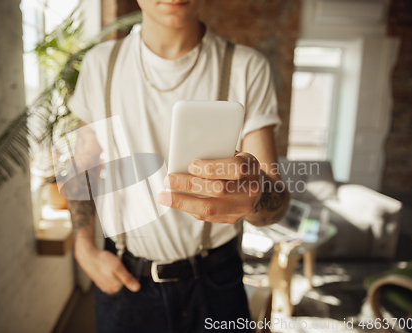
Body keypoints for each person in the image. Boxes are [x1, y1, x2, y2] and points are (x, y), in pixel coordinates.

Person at [66, 0, 289, 332]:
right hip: (128, 282)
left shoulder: (245, 66)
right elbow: (81, 166)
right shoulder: (101, 65)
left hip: (216, 284)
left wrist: (256, 196)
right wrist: (83, 247)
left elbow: (276, 206)